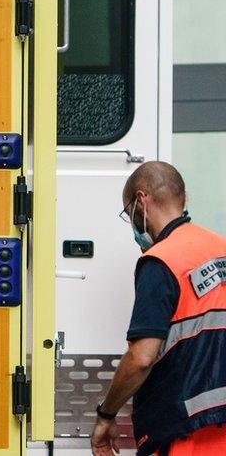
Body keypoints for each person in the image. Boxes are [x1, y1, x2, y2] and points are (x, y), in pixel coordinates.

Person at [91, 161, 226, 456]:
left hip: (186, 433)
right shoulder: (221, 248)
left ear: (141, 201)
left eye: (130, 215)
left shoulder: (161, 260)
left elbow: (141, 358)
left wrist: (106, 415)